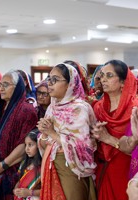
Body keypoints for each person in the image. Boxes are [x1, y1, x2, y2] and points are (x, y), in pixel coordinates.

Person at [37, 63, 97, 200]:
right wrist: (44, 134)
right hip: (51, 162)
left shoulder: (80, 108)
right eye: (49, 79)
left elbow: (84, 147)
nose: (49, 83)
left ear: (70, 84)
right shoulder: (52, 107)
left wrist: (52, 133)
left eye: (55, 79)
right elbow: (45, 138)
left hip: (71, 168)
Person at [0, 71, 38, 199]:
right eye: (0, 84)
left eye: (6, 85)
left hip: (11, 172)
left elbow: (24, 144)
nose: (1, 88)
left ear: (17, 87)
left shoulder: (27, 110)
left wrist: (3, 165)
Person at [91, 60, 138, 200]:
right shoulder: (98, 108)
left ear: (123, 82)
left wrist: (107, 138)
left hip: (126, 169)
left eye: (110, 75)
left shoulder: (135, 109)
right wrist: (94, 136)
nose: (103, 79)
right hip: (102, 168)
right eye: (102, 75)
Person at [13, 128, 41, 200]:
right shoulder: (24, 163)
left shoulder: (43, 166)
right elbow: (19, 181)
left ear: (39, 145)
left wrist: (29, 193)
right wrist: (16, 190)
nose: (26, 149)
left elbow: (47, 190)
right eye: (26, 145)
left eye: (30, 145)